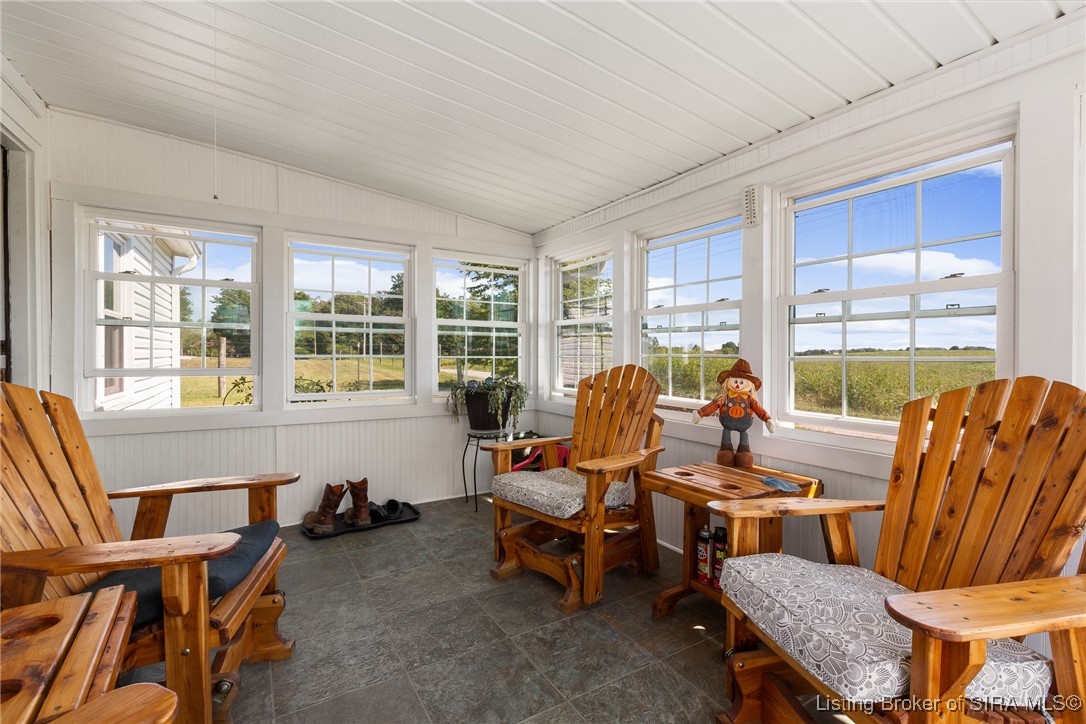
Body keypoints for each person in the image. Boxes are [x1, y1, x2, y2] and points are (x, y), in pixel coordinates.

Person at [692, 359, 774, 467]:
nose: (737, 385)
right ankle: (726, 450)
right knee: (726, 441)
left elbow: (759, 409)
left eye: (741, 383)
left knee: (744, 442)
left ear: (749, 385)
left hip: (744, 423)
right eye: (735, 382)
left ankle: (744, 451)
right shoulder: (724, 397)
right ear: (728, 381)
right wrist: (701, 414)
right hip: (727, 422)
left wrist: (767, 419)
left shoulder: (750, 399)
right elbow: (713, 405)